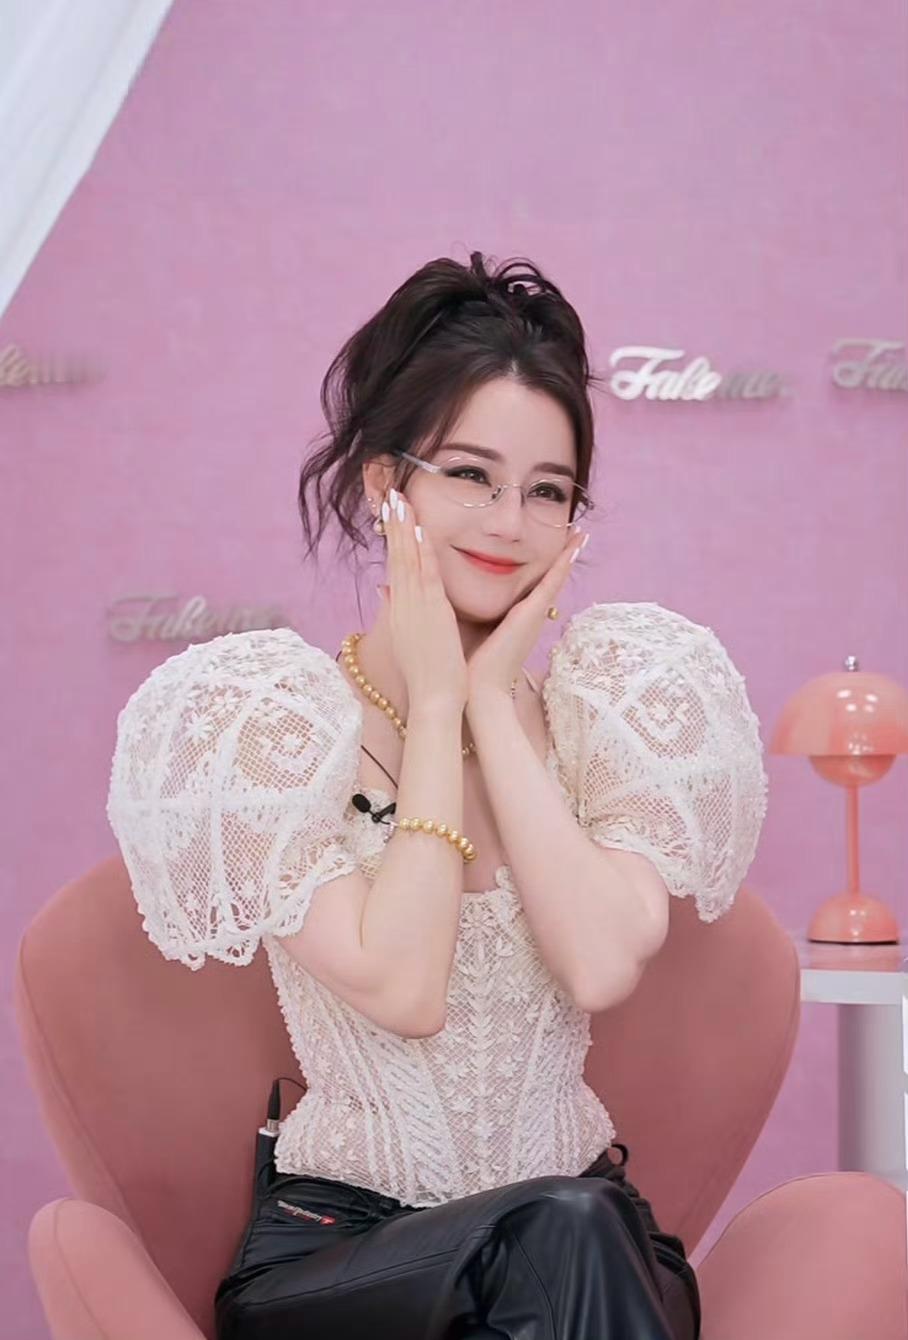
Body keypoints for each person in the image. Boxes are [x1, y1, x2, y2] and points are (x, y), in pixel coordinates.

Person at [106, 251, 769, 1340]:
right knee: (565, 1233)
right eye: (469, 474)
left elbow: (600, 964)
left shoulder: (605, 714)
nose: (508, 523)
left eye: (546, 490)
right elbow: (404, 986)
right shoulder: (269, 728)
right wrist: (436, 703)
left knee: (569, 1228)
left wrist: (491, 703)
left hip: (585, 1242)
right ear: (385, 485)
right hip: (346, 1257)